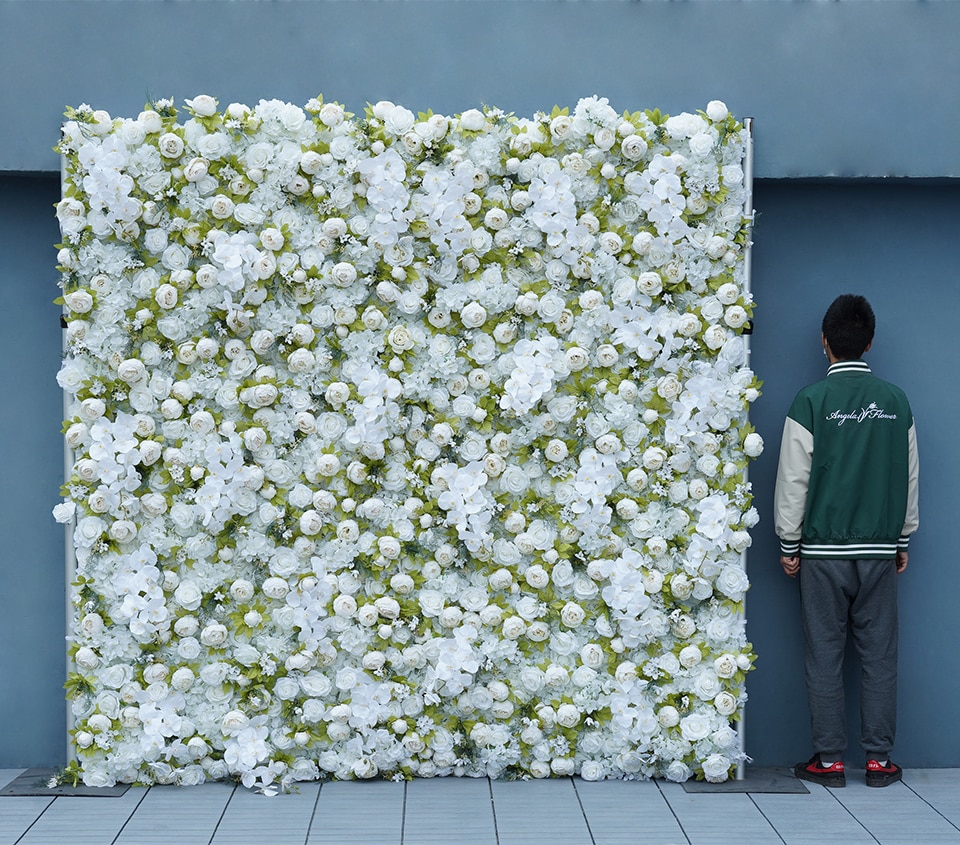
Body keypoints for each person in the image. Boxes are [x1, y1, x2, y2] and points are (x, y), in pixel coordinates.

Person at [774, 294, 919, 789]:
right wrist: (901, 537)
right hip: (879, 551)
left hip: (822, 555)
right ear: (870, 341)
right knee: (879, 657)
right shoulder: (896, 402)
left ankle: (829, 761)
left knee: (824, 654)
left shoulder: (810, 401)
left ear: (824, 341)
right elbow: (910, 477)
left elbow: (794, 480)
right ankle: (879, 762)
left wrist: (789, 544)